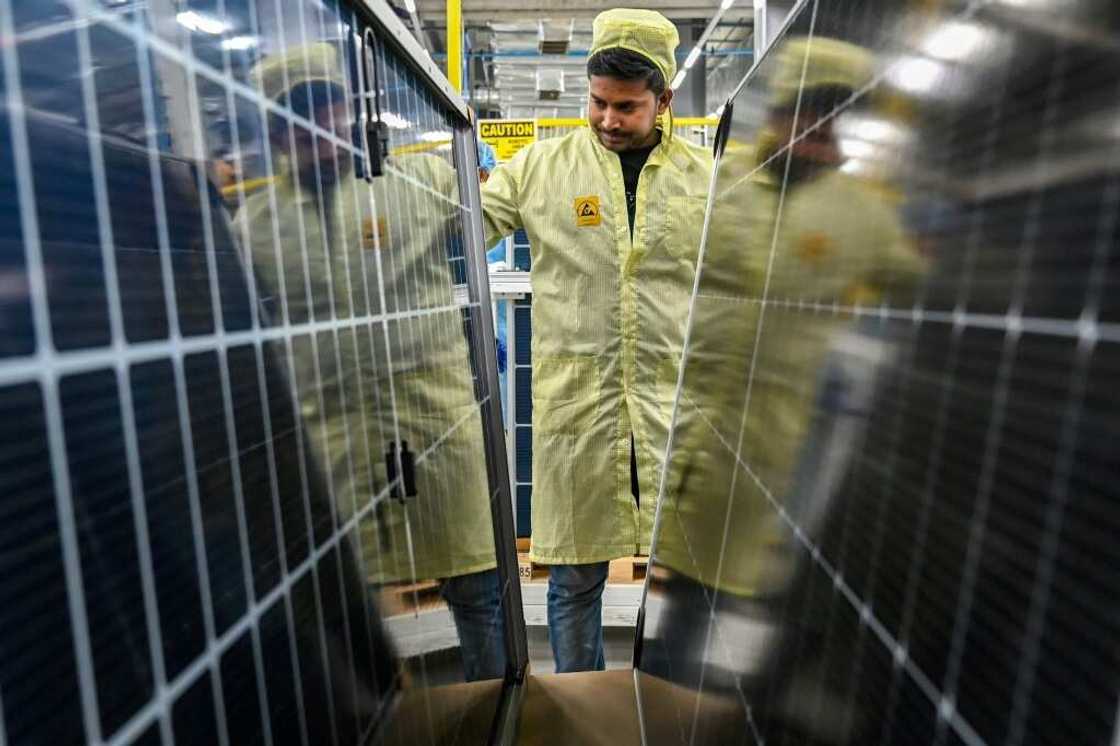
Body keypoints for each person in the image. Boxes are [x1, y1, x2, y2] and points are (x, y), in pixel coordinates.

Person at [244, 43, 505, 681]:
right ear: (273, 132)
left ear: (350, 110)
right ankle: (372, 716)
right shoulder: (255, 225)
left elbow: (503, 213)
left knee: (476, 587)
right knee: (340, 599)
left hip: (433, 422)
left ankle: (504, 701)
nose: (313, 129)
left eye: (325, 107)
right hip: (329, 435)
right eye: (291, 117)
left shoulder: (423, 183)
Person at [480, 8, 714, 672]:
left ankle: (673, 703)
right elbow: (469, 226)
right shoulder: (540, 169)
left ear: (664, 100)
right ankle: (580, 710)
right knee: (575, 579)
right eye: (598, 102)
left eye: (627, 107)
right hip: (580, 408)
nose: (608, 119)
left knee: (686, 576)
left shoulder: (706, 178)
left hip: (675, 403)